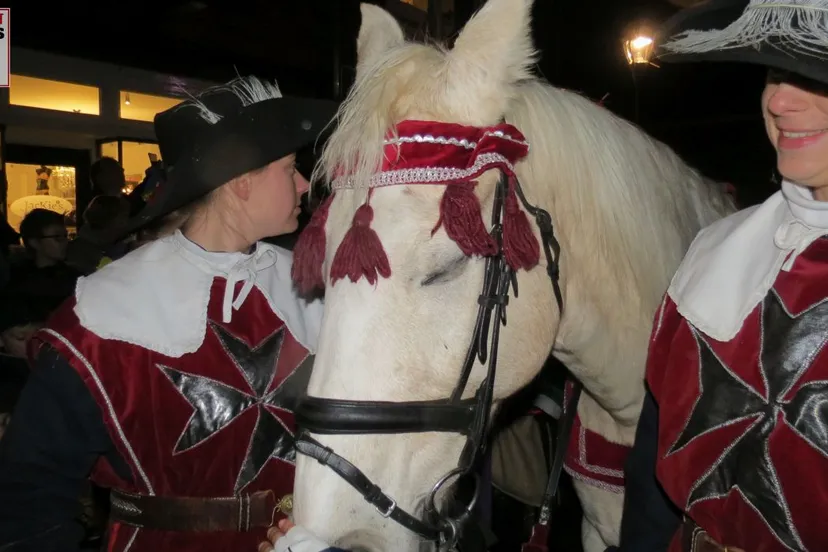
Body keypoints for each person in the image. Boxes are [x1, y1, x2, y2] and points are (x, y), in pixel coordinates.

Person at [0, 75, 336, 552]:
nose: (303, 183)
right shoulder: (105, 311)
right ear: (241, 181)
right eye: (288, 168)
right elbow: (32, 495)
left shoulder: (310, 282)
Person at [615, 0, 828, 551]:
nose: (779, 102)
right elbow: (653, 479)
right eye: (777, 74)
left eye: (816, 79)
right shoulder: (717, 249)